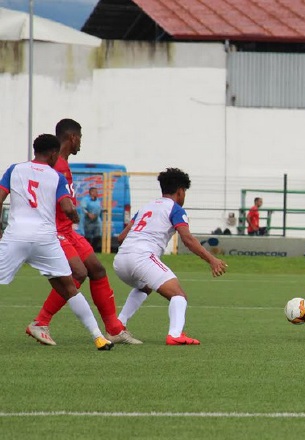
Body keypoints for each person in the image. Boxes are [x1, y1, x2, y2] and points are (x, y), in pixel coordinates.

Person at [26, 119, 139, 346]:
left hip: (68, 230)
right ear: (73, 138)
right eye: (80, 139)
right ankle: (40, 322)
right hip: (55, 230)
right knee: (77, 273)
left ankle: (114, 329)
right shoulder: (54, 165)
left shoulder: (62, 164)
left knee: (97, 270)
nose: (81, 144)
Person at [0, 134, 114, 350]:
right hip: (45, 239)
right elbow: (67, 206)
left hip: (16, 236)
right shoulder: (56, 176)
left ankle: (43, 323)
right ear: (53, 153)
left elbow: (0, 197)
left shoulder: (14, 169)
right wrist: (74, 216)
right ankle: (98, 337)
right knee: (70, 287)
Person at [113, 168, 228, 345]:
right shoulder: (176, 209)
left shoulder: (146, 207)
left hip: (120, 261)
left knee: (145, 287)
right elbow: (187, 239)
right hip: (141, 258)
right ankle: (175, 334)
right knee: (178, 295)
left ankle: (118, 325)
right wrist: (212, 259)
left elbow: (121, 238)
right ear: (180, 191)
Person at [80, 187, 103, 252]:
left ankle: (93, 250)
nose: (97, 193)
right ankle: (87, 250)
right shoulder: (85, 200)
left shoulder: (98, 201)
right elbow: (83, 208)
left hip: (96, 221)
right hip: (88, 221)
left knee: (98, 236)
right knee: (88, 236)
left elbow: (99, 208)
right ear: (91, 192)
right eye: (96, 192)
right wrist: (88, 214)